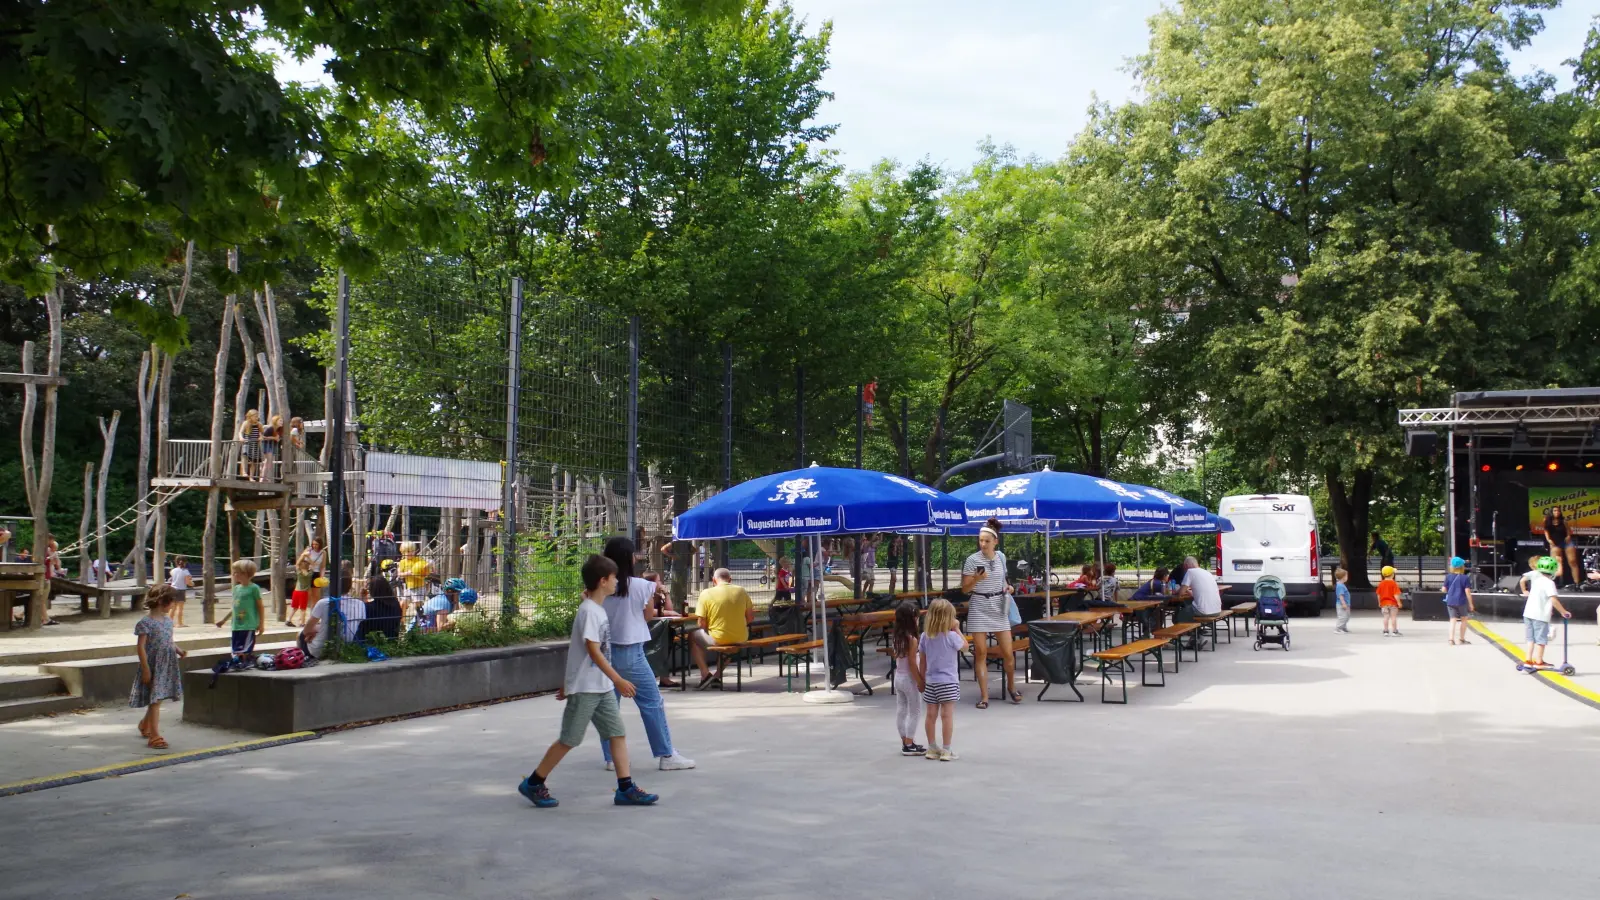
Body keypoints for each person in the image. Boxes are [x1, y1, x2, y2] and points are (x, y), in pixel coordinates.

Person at [518, 554, 659, 809]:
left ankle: (625, 788)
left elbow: (582, 653)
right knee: (569, 739)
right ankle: (534, 782)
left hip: (600, 686)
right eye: (614, 577)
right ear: (603, 580)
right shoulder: (590, 612)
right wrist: (618, 680)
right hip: (588, 689)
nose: (618, 581)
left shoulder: (595, 609)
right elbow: (593, 651)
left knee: (617, 733)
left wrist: (571, 680)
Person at [600, 537, 695, 771]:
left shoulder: (600, 585)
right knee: (652, 703)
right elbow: (648, 616)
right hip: (631, 652)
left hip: (603, 653)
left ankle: (613, 757)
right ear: (629, 558)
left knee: (609, 706)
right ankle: (666, 754)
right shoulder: (643, 586)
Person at [961, 517, 1020, 707]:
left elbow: (1003, 579)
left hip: (998, 605)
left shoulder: (1001, 557)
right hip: (979, 605)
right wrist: (976, 579)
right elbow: (964, 589)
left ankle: (1011, 686)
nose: (983, 544)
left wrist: (1008, 588)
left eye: (987, 541)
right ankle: (984, 696)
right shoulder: (972, 560)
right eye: (981, 540)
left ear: (995, 541)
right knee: (981, 653)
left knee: (1008, 653)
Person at [130, 585, 187, 751]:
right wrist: (146, 668)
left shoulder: (168, 621)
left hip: (167, 663)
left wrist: (179, 650)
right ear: (162, 601)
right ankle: (154, 736)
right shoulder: (145, 623)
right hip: (154, 664)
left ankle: (144, 725)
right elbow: (140, 647)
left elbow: (169, 640)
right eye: (171, 602)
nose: (173, 605)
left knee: (158, 698)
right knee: (155, 700)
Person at [690, 567, 755, 690]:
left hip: (718, 637)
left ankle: (705, 674)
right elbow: (750, 618)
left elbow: (700, 623)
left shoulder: (706, 593)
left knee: (693, 636)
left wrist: (711, 628)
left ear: (714, 580)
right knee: (730, 644)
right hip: (741, 637)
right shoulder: (741, 591)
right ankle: (717, 676)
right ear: (730, 580)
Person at [918, 597, 964, 761]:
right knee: (947, 715)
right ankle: (946, 749)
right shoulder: (951, 636)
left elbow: (922, 661)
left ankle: (931, 747)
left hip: (931, 681)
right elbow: (965, 646)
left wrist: (921, 679)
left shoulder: (925, 636)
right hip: (949, 681)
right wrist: (957, 629)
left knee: (931, 715)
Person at [299, 571, 367, 660]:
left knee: (301, 635)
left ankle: (303, 661)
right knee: (317, 628)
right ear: (350, 586)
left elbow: (306, 630)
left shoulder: (323, 603)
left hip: (321, 650)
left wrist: (312, 632)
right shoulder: (360, 604)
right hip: (349, 648)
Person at [890, 601, 926, 757]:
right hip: (909, 679)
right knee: (915, 710)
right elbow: (912, 662)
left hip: (898, 677)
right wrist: (919, 680)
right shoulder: (912, 639)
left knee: (901, 710)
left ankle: (905, 740)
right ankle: (909, 743)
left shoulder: (896, 637)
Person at [1523, 556, 1571, 668]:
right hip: (1540, 615)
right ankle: (1539, 662)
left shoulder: (1536, 580)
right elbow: (1553, 600)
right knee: (1541, 640)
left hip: (1528, 613)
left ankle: (1528, 660)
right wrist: (1563, 612)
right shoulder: (1549, 583)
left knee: (1530, 638)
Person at [215, 559, 264, 663]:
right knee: (235, 647)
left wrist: (261, 624)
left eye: (236, 572)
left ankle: (245, 662)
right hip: (236, 625)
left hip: (249, 625)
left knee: (245, 648)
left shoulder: (254, 588)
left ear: (244, 573)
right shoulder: (236, 589)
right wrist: (224, 620)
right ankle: (238, 662)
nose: (233, 574)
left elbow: (260, 607)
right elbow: (235, 607)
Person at [1543, 506, 1582, 587]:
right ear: (1551, 512)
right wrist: (1549, 540)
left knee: (1572, 561)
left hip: (1566, 542)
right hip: (1555, 543)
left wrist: (1568, 536)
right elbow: (1546, 531)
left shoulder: (1563, 521)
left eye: (1558, 511)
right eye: (1555, 510)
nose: (1557, 512)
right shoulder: (1547, 521)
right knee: (1554, 562)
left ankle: (1577, 583)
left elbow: (1568, 531)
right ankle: (1554, 583)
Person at [1443, 556, 1477, 645]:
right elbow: (1467, 591)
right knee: (1464, 619)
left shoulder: (1448, 577)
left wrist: (1449, 592)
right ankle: (1461, 639)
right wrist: (1471, 604)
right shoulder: (1465, 578)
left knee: (1452, 620)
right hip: (1461, 601)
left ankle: (1451, 639)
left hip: (1450, 601)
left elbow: (1443, 589)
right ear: (1462, 567)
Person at [360, 573, 404, 640]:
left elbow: (364, 621)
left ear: (372, 591)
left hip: (372, 644)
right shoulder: (395, 603)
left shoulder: (369, 608)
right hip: (392, 642)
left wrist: (363, 600)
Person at [397, 541, 432, 622]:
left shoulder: (419, 560)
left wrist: (429, 565)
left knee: (417, 604)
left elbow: (426, 567)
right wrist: (407, 573)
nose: (411, 553)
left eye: (412, 551)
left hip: (419, 586)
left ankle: (421, 620)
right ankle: (402, 621)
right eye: (408, 551)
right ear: (403, 552)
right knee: (403, 604)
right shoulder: (402, 562)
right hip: (408, 587)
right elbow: (399, 574)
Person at [237, 409, 264, 480]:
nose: (256, 418)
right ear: (250, 416)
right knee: (245, 456)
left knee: (253, 461)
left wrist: (261, 437)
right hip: (247, 442)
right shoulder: (246, 423)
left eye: (257, 416)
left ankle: (251, 477)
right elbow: (240, 432)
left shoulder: (259, 424)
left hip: (255, 443)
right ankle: (244, 472)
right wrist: (241, 438)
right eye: (255, 416)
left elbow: (261, 433)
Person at [289, 555, 314, 628]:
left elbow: (297, 564)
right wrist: (308, 557)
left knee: (294, 607)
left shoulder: (299, 573)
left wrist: (303, 555)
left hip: (296, 592)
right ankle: (302, 623)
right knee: (303, 609)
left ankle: (288, 620)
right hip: (303, 593)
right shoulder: (309, 574)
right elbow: (313, 565)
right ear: (308, 566)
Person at [1376, 565, 1402, 636]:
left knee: (1385, 617)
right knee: (1393, 617)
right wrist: (1399, 602)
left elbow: (1378, 594)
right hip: (1393, 604)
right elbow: (1396, 595)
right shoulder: (1393, 583)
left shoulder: (1381, 583)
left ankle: (1386, 631)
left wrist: (1379, 602)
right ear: (1392, 574)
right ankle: (1394, 631)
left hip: (1384, 604)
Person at [168, 556, 194, 627]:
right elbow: (187, 582)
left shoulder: (173, 571)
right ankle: (179, 623)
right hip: (181, 590)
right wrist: (192, 584)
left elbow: (172, 579)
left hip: (172, 589)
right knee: (180, 608)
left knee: (173, 608)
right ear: (185, 562)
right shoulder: (186, 571)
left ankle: (169, 623)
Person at [261, 414, 282, 481]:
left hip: (273, 446)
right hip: (267, 445)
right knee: (268, 462)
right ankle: (263, 478)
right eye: (280, 421)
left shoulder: (279, 430)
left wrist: (277, 439)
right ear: (275, 421)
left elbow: (278, 439)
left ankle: (264, 477)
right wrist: (274, 438)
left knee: (268, 462)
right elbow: (263, 437)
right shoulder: (271, 428)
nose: (282, 422)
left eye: (282, 421)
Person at [1333, 567, 1352, 634]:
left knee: (1347, 616)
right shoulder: (1340, 586)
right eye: (1346, 576)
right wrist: (1343, 603)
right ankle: (1338, 628)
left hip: (1346, 604)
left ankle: (1343, 627)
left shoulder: (1341, 585)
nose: (1347, 577)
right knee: (1342, 617)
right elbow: (1341, 596)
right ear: (1343, 577)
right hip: (1342, 604)